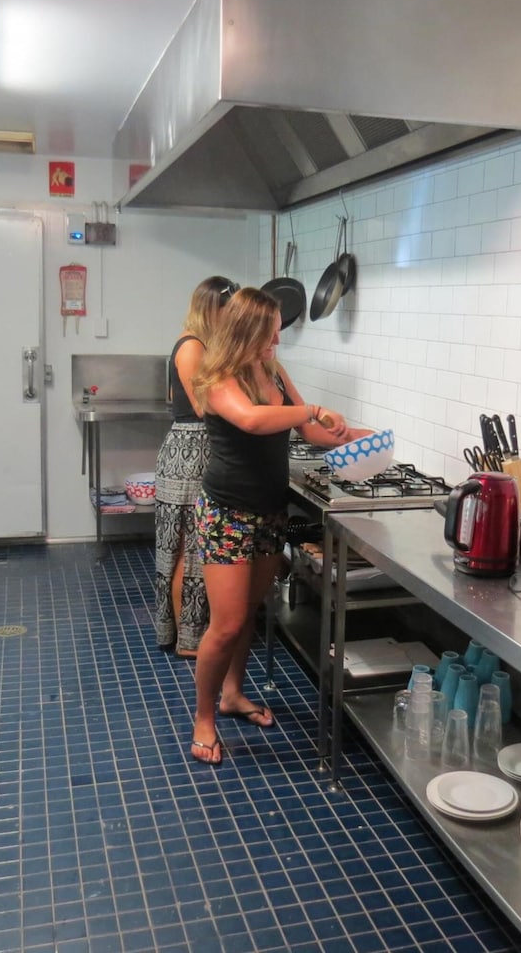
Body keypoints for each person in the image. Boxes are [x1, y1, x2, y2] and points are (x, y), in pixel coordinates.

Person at [189, 287, 351, 765]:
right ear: (246, 331)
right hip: (226, 513)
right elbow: (253, 420)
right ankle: (203, 719)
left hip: (269, 510)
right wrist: (313, 409)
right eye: (271, 332)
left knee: (249, 611)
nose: (277, 340)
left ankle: (233, 694)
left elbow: (308, 431)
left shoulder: (275, 371)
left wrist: (355, 436)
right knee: (226, 624)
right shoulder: (217, 376)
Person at [153, 276, 239, 657]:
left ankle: (188, 633)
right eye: (228, 312)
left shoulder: (201, 345)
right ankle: (188, 641)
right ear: (211, 309)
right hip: (188, 455)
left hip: (197, 451)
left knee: (191, 550)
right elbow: (204, 406)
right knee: (187, 553)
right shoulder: (192, 346)